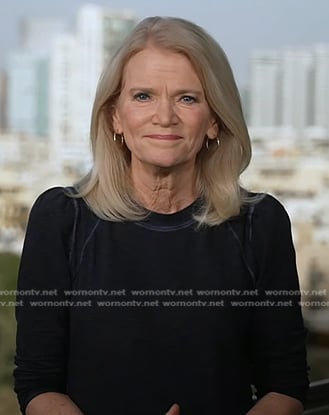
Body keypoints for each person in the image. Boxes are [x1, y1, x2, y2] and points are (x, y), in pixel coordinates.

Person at [14, 16, 309, 415]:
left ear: (215, 120)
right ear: (115, 117)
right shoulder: (61, 220)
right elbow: (36, 382)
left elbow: (286, 383)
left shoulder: (260, 223)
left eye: (187, 98)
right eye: (143, 96)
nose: (165, 116)